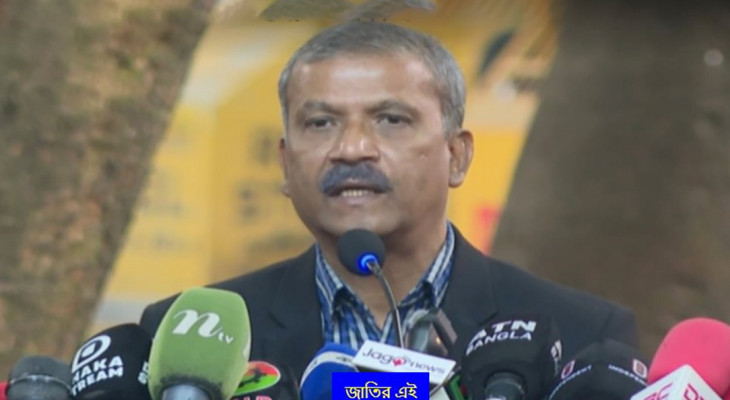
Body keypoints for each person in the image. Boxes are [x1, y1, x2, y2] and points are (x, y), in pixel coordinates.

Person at [139, 20, 639, 379]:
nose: (352, 148)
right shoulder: (185, 339)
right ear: (286, 165)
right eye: (321, 123)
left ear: (457, 156)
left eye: (391, 120)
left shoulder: (581, 333)